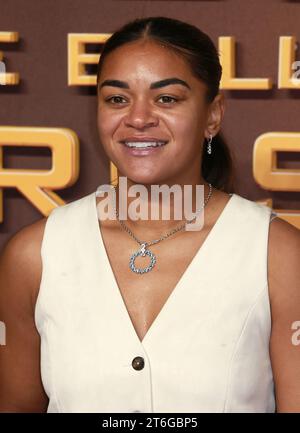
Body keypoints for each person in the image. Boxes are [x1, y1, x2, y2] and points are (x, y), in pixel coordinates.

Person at [0, 16, 299, 413]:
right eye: (117, 99)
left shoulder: (277, 254)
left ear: (213, 115)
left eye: (167, 99)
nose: (138, 118)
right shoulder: (34, 255)